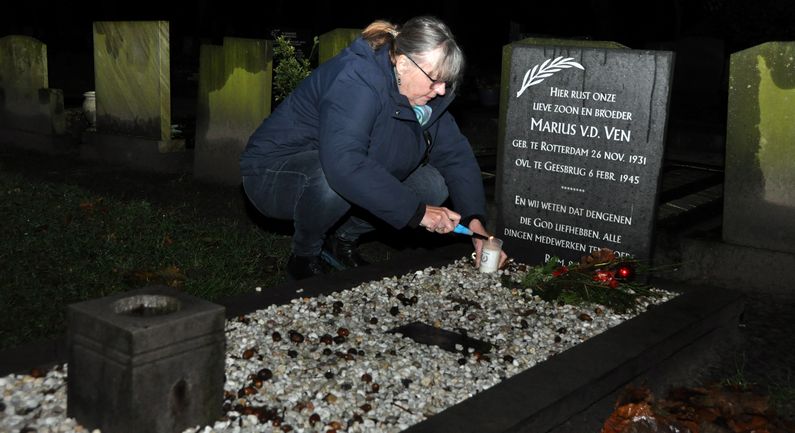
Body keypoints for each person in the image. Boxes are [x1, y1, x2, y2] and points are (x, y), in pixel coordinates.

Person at [240, 16, 508, 280]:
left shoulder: (421, 97)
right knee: (331, 176)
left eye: (446, 83)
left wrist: (475, 223)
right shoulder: (356, 79)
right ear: (403, 63)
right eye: (434, 80)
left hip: (335, 169)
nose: (440, 91)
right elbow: (344, 164)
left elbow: (456, 157)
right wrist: (419, 212)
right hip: (274, 173)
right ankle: (305, 256)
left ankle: (342, 240)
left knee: (432, 185)